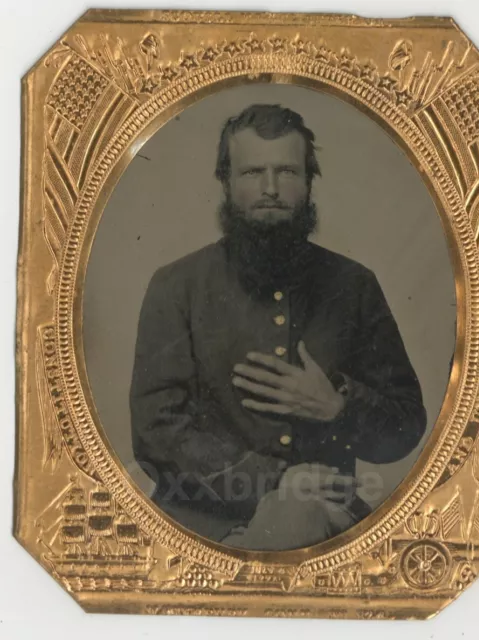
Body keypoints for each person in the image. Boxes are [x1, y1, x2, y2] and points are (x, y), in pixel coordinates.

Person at [129, 103, 427, 550]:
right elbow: (156, 429)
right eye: (252, 174)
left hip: (326, 522)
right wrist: (276, 479)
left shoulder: (354, 284)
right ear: (226, 182)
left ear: (309, 183)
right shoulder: (176, 285)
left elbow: (405, 428)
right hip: (202, 525)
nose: (270, 189)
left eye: (287, 172)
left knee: (302, 518)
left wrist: (337, 407)